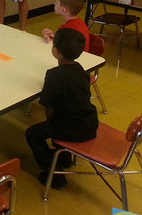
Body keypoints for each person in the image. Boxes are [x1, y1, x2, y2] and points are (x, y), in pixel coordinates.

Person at [25, 28, 98, 188]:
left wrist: (50, 124)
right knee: (57, 124)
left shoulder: (53, 75)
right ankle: (64, 157)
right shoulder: (80, 69)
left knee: (32, 134)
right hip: (90, 123)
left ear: (55, 51)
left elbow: (48, 107)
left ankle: (54, 173)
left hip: (71, 128)